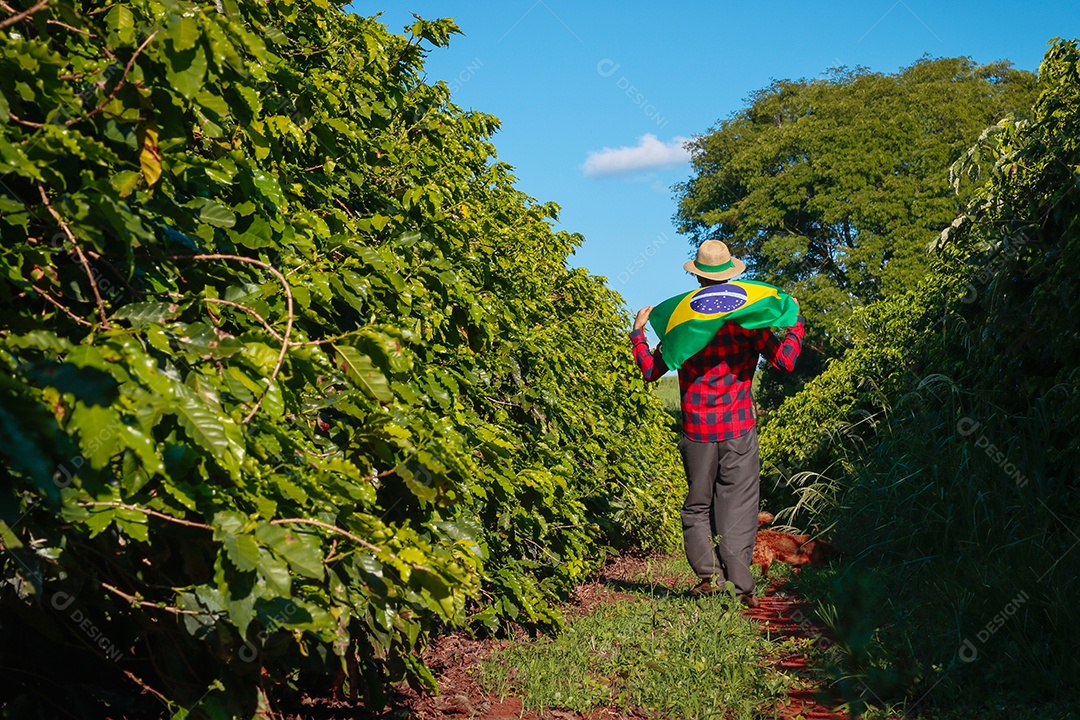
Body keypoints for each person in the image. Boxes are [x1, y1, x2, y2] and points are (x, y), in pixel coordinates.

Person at [629, 240, 805, 607]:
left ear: (697, 278)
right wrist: (796, 325)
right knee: (738, 507)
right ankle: (740, 588)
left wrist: (638, 334)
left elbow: (650, 371)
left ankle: (710, 578)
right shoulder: (749, 323)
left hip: (696, 431)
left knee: (697, 505)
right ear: (730, 278)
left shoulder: (682, 323)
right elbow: (785, 362)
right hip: (739, 428)